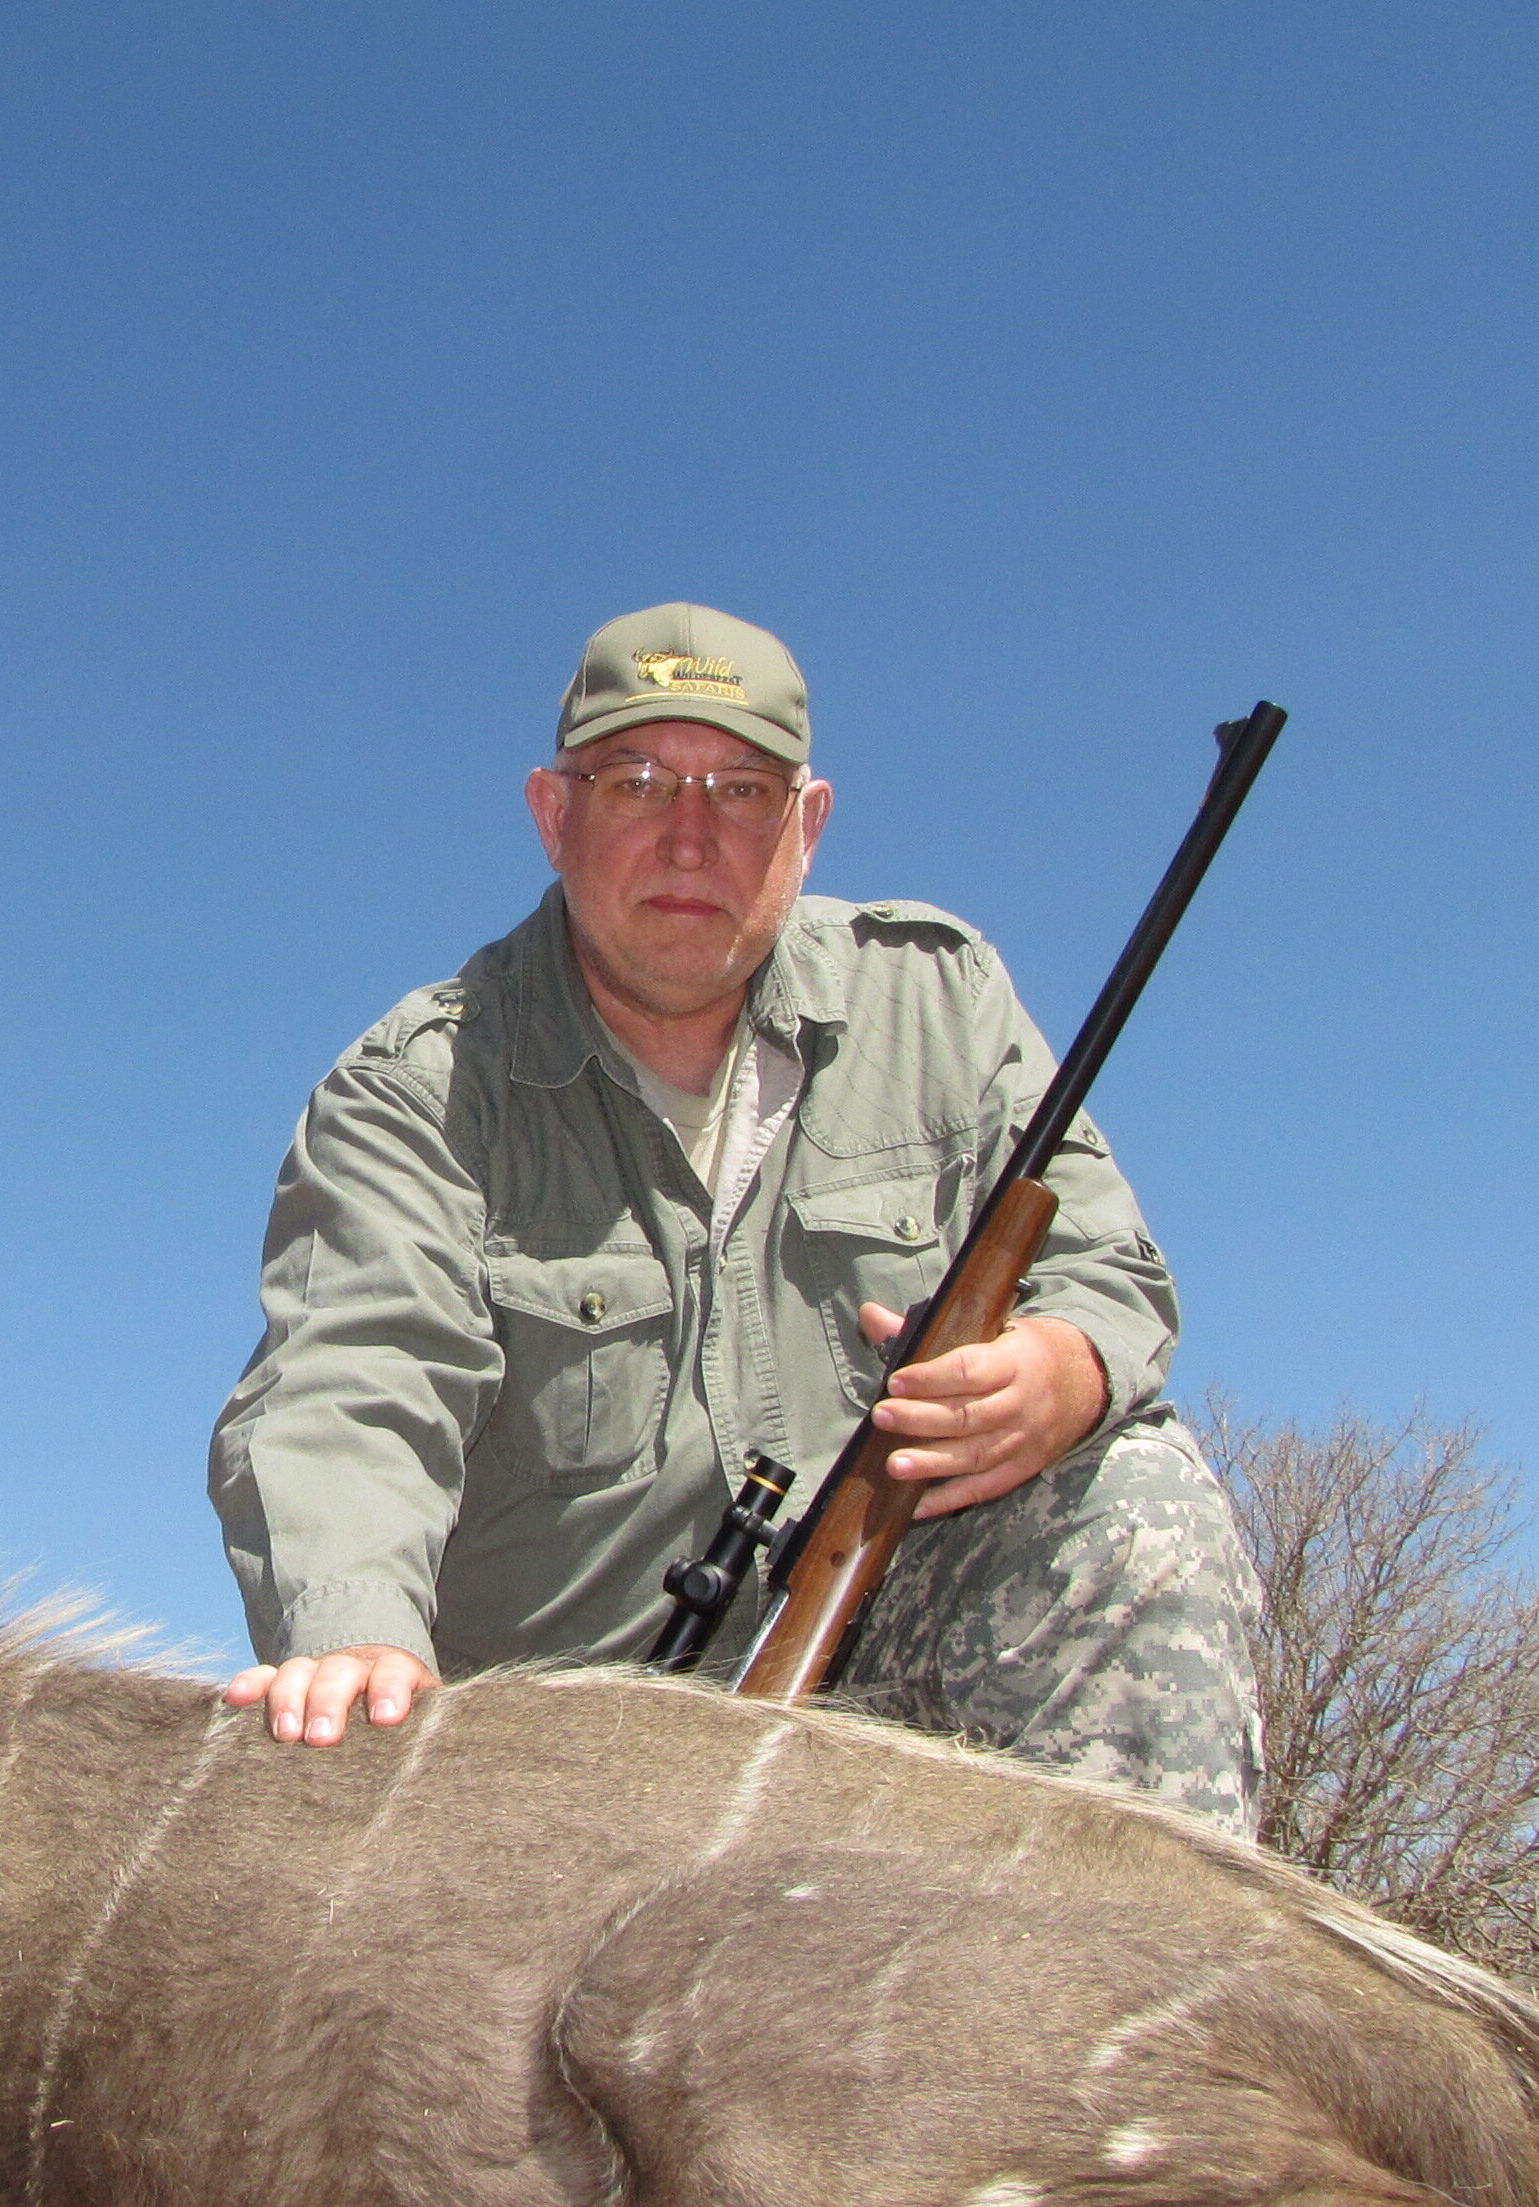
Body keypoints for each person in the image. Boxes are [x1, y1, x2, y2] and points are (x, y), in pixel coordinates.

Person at [209, 604, 1264, 1828]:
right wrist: (354, 1638)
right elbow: (353, 1380)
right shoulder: (418, 1090)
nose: (691, 836)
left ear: (806, 827)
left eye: (743, 790)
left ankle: (1113, 1988)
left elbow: (1101, 1263)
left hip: (887, 1660)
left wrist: (1062, 1367)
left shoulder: (939, 996)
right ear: (555, 815)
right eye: (637, 781)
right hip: (561, 1756)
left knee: (1135, 1498)